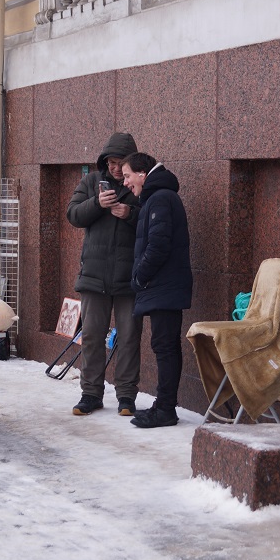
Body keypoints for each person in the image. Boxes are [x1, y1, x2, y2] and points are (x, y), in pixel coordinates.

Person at [66, 132, 143, 417]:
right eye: (110, 162)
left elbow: (152, 220)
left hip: (128, 277)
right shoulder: (90, 183)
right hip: (94, 275)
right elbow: (73, 214)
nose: (114, 167)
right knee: (93, 336)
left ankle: (126, 396)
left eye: (119, 162)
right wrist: (98, 203)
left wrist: (129, 213)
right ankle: (90, 394)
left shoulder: (138, 184)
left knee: (129, 337)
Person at [120, 152, 192, 429]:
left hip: (164, 286)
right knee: (165, 346)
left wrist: (139, 277)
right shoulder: (157, 197)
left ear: (142, 173)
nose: (125, 182)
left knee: (165, 347)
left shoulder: (160, 198)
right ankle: (164, 406)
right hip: (165, 286)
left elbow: (158, 246)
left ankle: (165, 409)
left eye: (127, 176)